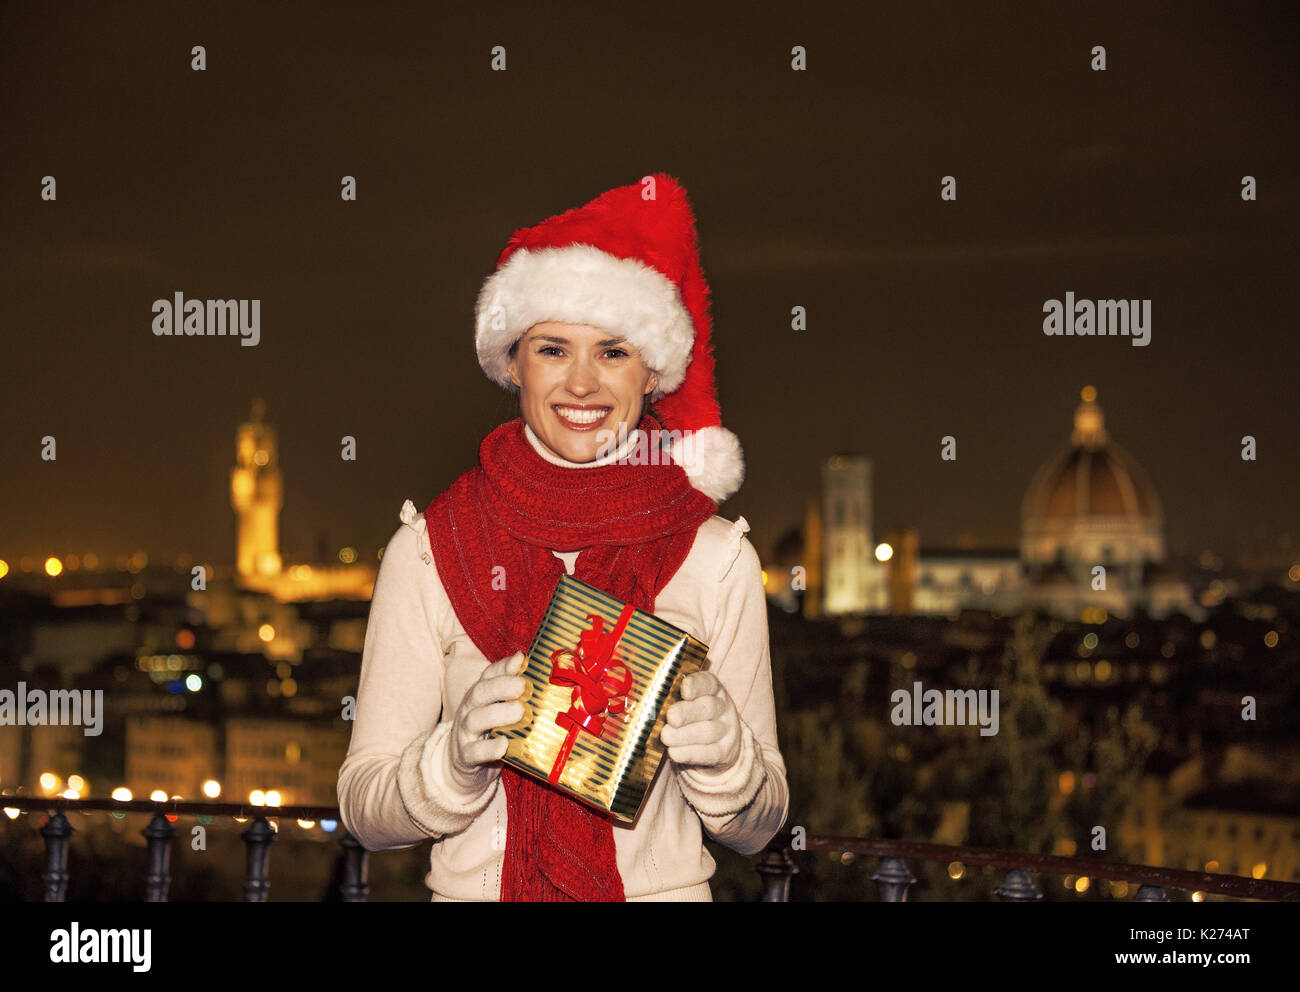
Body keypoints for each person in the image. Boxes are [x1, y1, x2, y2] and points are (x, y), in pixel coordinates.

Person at [337, 173, 788, 901]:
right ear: (511, 362)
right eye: (553, 350)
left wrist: (728, 760)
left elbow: (760, 828)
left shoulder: (718, 558)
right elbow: (365, 811)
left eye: (613, 352)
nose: (582, 384)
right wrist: (449, 765)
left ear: (653, 373)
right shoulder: (427, 549)